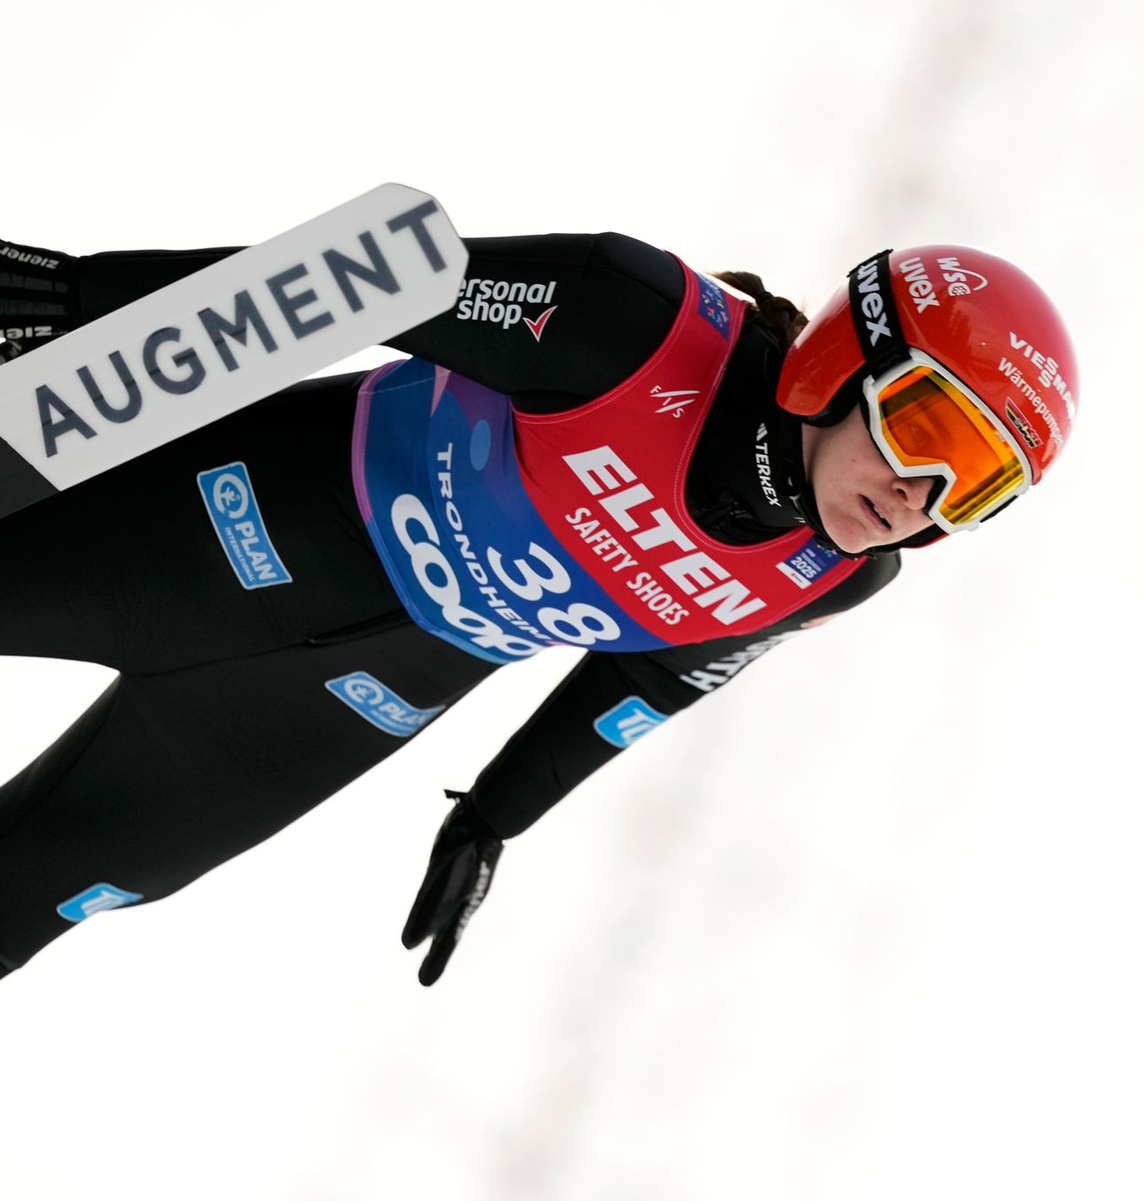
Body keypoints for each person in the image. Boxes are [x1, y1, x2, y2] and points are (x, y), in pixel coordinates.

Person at [0, 232, 1078, 985]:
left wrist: (496, 812)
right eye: (925, 432)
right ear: (848, 363)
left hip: (324, 708)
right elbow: (356, 280)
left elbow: (653, 676)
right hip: (234, 519)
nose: (916, 496)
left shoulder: (834, 573)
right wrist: (88, 297)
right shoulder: (632, 324)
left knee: (25, 900)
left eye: (974, 485)